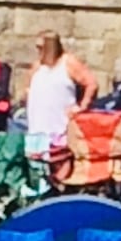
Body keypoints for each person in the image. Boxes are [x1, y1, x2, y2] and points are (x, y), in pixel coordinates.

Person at [20, 31, 88, 170]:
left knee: (60, 167)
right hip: (37, 130)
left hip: (60, 130)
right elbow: (27, 89)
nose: (38, 51)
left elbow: (91, 83)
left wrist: (82, 108)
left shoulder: (68, 62)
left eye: (41, 47)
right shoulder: (37, 66)